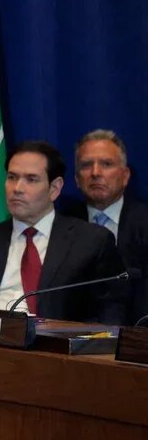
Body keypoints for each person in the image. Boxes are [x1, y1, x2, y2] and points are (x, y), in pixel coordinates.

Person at [0, 140, 125, 323]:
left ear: (54, 188)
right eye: (12, 177)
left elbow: (109, 317)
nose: (17, 188)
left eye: (31, 179)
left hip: (50, 349)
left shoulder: (91, 242)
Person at [66, 129, 148, 322]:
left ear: (126, 175)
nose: (96, 173)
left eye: (106, 164)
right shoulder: (61, 223)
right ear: (77, 179)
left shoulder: (144, 222)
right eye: (86, 165)